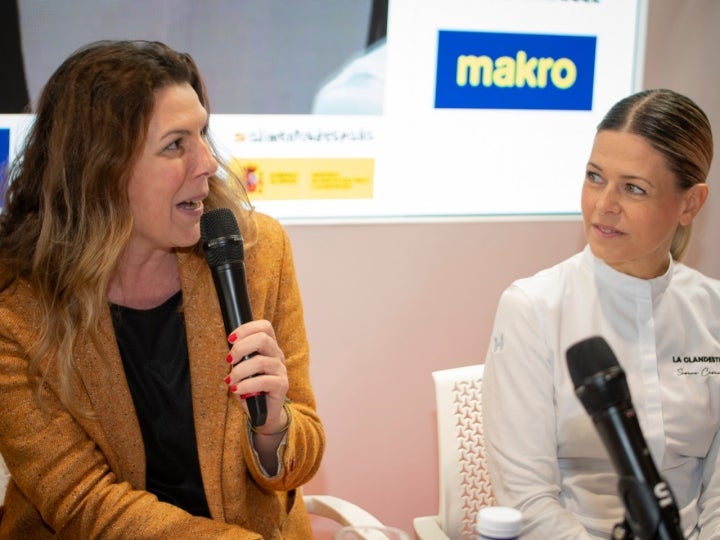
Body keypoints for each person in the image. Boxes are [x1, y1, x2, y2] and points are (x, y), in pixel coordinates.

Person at [0, 40, 325, 539]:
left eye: (202, 135)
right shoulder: (16, 306)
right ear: (101, 170)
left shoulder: (256, 251)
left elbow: (297, 462)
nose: (208, 164)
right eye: (176, 145)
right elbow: (81, 500)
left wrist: (272, 427)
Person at [482, 88, 719, 539]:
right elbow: (527, 500)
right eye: (595, 177)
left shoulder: (713, 312)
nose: (604, 204)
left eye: (634, 188)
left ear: (690, 203)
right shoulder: (533, 308)